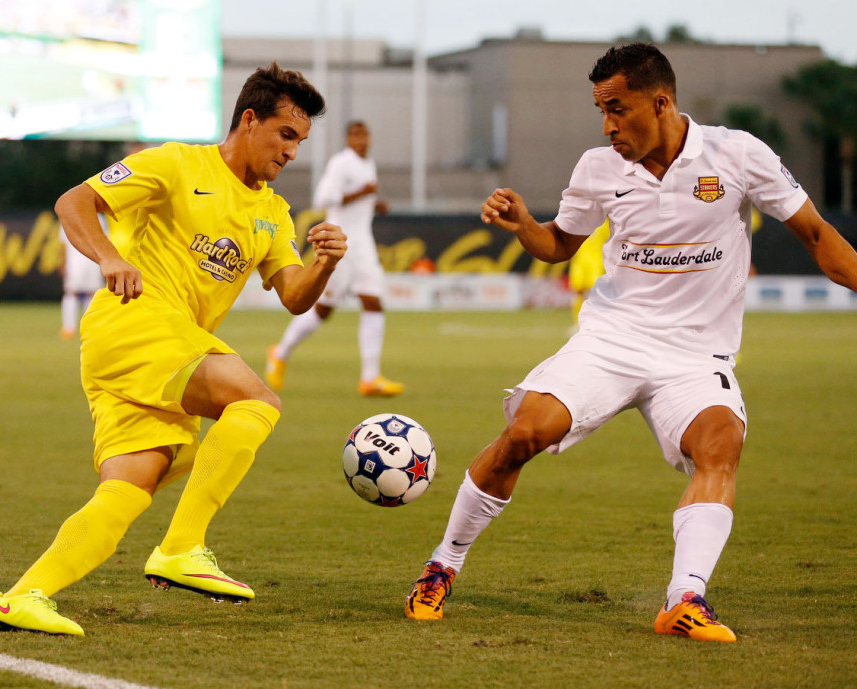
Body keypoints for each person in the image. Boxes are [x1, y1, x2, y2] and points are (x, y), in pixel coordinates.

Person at [404, 43, 857, 642]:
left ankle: (685, 599)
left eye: (616, 109)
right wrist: (524, 227)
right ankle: (441, 567)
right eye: (601, 110)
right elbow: (560, 245)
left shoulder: (737, 154)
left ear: (661, 102)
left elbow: (817, 233)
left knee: (720, 444)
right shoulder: (597, 167)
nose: (607, 125)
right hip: (612, 339)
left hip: (695, 355)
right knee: (524, 434)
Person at [0, 62, 345, 636]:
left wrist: (323, 263)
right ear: (249, 120)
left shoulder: (273, 212)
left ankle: (24, 594)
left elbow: (295, 297)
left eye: (299, 141)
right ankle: (181, 547)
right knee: (256, 402)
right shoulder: (176, 162)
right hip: (135, 324)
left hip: (155, 352)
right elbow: (73, 201)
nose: (292, 153)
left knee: (132, 485)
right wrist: (109, 257)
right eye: (285, 135)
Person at [265, 121, 403, 397]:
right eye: (355, 135)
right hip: (339, 242)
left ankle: (370, 378)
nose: (360, 140)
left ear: (370, 137)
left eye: (364, 134)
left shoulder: (368, 163)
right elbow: (323, 198)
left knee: (373, 301)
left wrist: (374, 203)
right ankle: (280, 352)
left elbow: (357, 200)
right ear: (347, 139)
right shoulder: (342, 163)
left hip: (362, 243)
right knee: (324, 308)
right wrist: (362, 193)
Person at [58, 215, 108, 339]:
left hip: (85, 261)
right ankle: (78, 328)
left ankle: (76, 328)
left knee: (81, 293)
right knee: (80, 293)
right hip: (84, 261)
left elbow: (62, 244)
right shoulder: (98, 217)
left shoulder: (71, 214)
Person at [566, 218, 609, 326]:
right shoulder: (579, 220)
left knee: (595, 293)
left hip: (596, 262)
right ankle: (578, 323)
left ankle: (596, 322)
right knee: (577, 292)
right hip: (579, 262)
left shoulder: (605, 223)